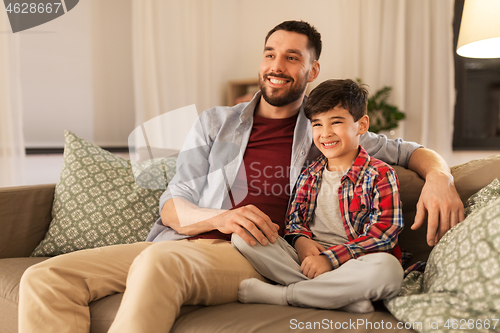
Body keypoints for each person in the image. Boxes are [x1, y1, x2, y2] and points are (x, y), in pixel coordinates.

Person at [19, 20, 464, 333]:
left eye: (292, 57)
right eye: (270, 53)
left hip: (251, 254)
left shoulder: (326, 129)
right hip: (184, 240)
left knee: (159, 265)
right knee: (44, 279)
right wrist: (220, 217)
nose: (277, 64)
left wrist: (440, 178)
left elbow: (411, 152)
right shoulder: (215, 122)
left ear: (312, 71)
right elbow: (174, 204)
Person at [232, 78, 404, 313]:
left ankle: (288, 294)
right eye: (317, 124)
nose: (326, 133)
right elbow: (295, 220)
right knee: (242, 236)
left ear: (361, 125)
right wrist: (301, 241)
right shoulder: (310, 173)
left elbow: (383, 234)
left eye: (336, 122)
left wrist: (330, 259)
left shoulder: (380, 174)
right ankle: (340, 296)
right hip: (306, 260)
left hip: (354, 262)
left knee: (388, 270)